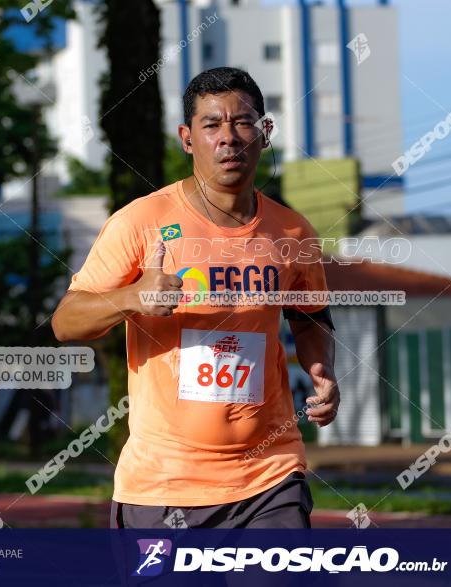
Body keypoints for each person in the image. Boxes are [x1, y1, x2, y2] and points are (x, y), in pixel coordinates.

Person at [52, 67, 340, 529]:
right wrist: (132, 297)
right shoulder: (140, 222)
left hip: (269, 474)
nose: (228, 138)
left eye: (243, 122)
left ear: (264, 134)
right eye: (211, 125)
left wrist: (320, 368)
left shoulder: (292, 231)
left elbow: (310, 316)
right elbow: (66, 322)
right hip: (164, 483)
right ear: (187, 138)